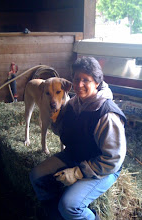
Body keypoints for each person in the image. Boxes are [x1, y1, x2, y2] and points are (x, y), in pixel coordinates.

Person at [29, 56, 127, 220]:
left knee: (70, 206)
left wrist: (78, 172)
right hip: (76, 154)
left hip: (103, 166)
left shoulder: (107, 114)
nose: (79, 84)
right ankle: (56, 216)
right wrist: (56, 121)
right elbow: (65, 134)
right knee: (36, 176)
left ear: (96, 82)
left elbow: (113, 159)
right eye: (76, 79)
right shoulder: (74, 104)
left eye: (85, 80)